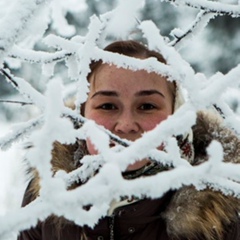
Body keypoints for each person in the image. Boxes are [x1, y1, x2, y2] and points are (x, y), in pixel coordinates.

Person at [18, 40, 240, 240]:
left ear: (177, 115)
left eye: (147, 106)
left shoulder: (223, 210)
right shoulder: (47, 194)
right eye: (107, 106)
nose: (125, 125)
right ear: (82, 115)